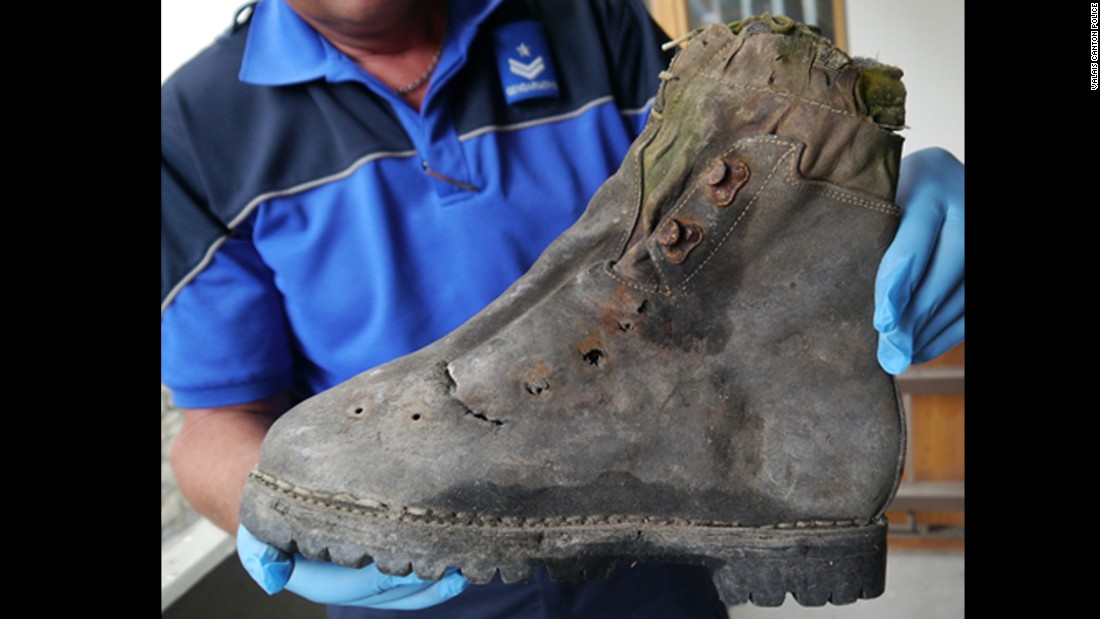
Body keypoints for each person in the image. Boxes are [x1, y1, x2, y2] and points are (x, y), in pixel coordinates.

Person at [161, 1, 964, 617]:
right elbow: (214, 419)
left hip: (652, 539)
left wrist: (858, 197)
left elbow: (739, 238)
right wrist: (271, 504)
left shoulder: (588, 19)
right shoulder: (194, 126)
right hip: (416, 561)